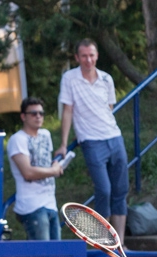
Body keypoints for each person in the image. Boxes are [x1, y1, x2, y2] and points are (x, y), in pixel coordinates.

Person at [56, 38, 130, 240]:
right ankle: (104, 240)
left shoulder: (106, 78)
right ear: (77, 57)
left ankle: (120, 242)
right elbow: (68, 110)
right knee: (104, 190)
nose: (88, 60)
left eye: (91, 55)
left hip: (114, 137)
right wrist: (64, 144)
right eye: (84, 56)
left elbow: (109, 108)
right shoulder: (70, 78)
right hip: (91, 141)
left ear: (97, 56)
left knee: (120, 190)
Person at [7, 97, 64, 240]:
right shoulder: (17, 139)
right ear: (23, 117)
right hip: (31, 205)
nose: (38, 116)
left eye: (41, 113)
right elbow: (27, 172)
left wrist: (55, 166)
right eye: (33, 113)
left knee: (57, 251)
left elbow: (45, 163)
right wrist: (54, 171)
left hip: (50, 202)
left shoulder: (46, 134)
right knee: (42, 251)